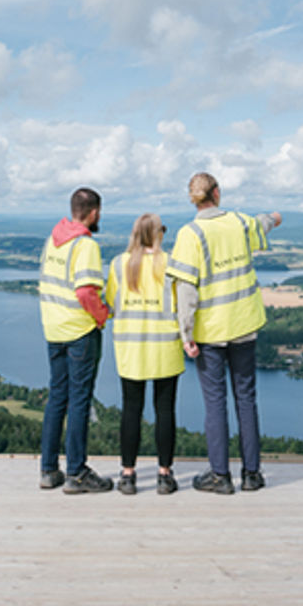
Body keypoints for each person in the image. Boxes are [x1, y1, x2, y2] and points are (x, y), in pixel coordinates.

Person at [167, 172, 281, 494]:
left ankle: (220, 475)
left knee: (215, 403)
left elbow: (186, 290)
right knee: (246, 398)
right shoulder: (239, 222)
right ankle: (252, 474)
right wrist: (275, 217)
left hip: (211, 333)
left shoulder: (190, 234)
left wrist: (185, 334)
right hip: (244, 325)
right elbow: (262, 224)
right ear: (217, 193)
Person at [37, 187, 114, 494]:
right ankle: (76, 473)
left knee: (57, 397)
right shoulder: (85, 245)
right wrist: (101, 315)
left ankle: (48, 470)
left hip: (53, 329)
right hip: (80, 332)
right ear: (94, 213)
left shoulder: (52, 241)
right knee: (80, 400)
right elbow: (85, 291)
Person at [106, 213, 185, 496]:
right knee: (165, 411)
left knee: (131, 411)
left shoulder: (119, 264)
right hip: (165, 348)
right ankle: (164, 475)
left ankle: (128, 475)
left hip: (131, 349)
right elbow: (182, 305)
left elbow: (111, 304)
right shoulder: (171, 264)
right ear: (159, 233)